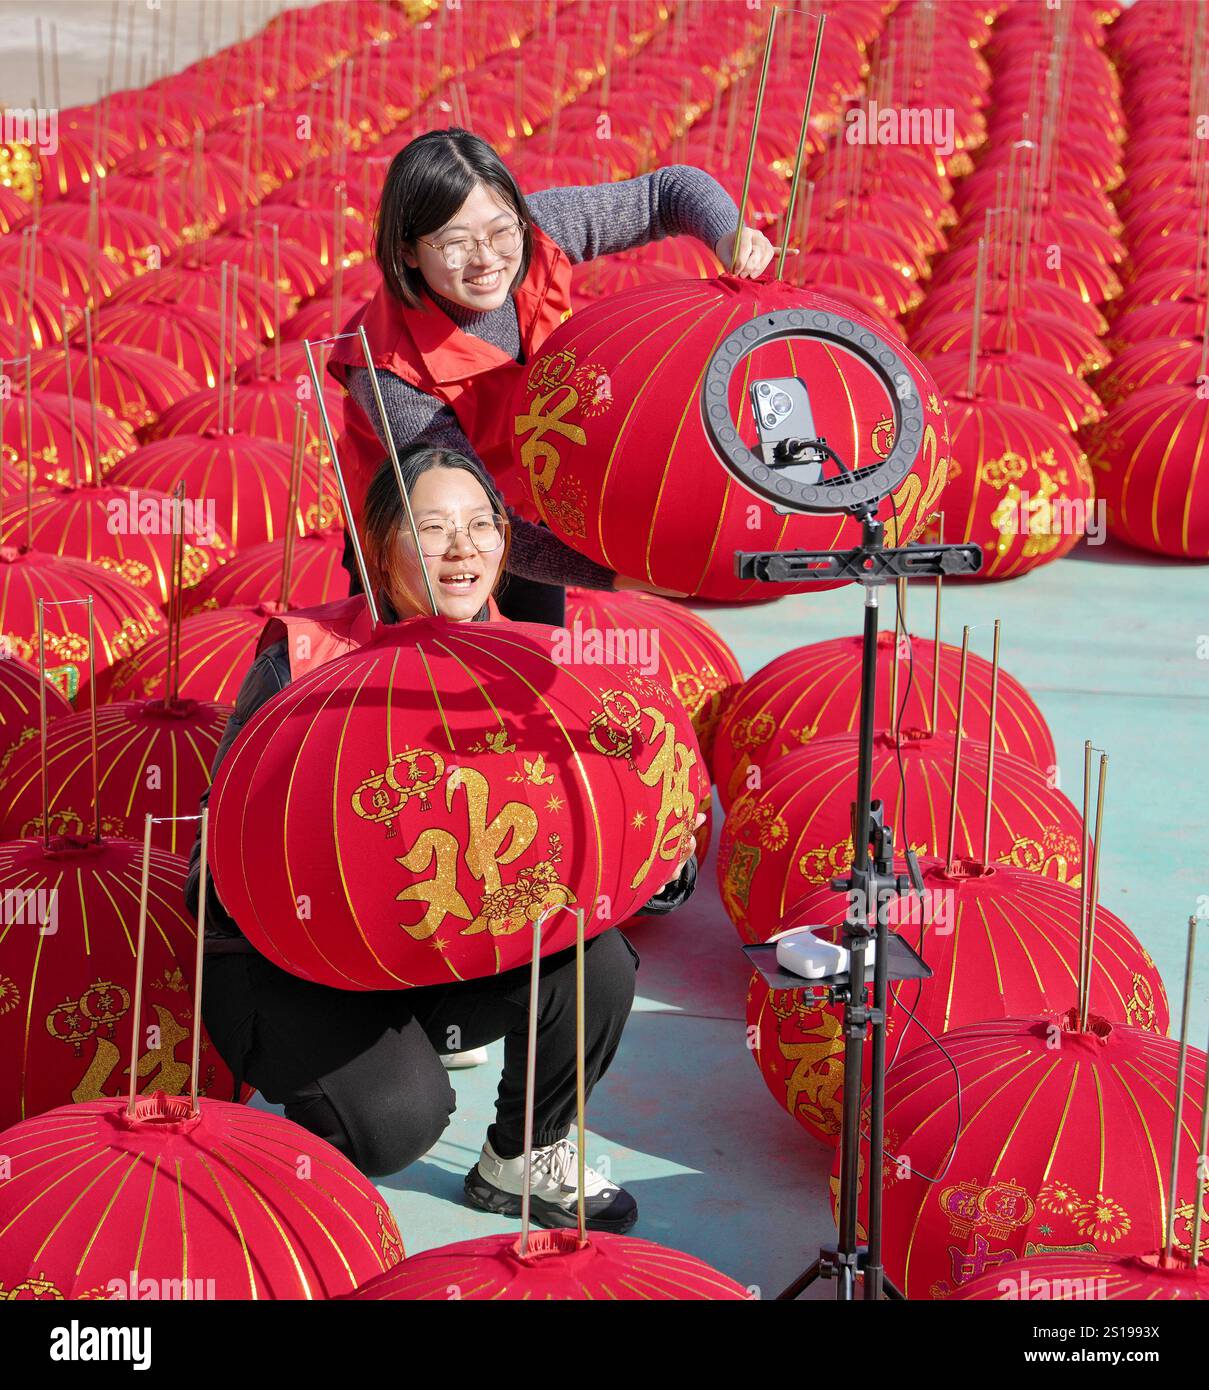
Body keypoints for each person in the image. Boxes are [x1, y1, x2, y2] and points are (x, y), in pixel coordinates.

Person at [186, 444, 702, 1234]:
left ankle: (524, 1154)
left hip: (441, 943)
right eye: (431, 528)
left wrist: (663, 853)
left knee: (597, 963)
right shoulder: (303, 657)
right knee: (393, 1129)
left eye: (480, 526)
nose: (462, 550)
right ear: (376, 547)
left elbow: (588, 833)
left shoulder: (536, 667)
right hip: (299, 957)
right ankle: (336, 1091)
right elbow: (220, 854)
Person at [328, 127, 776, 624]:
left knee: (535, 670)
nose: (487, 260)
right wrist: (611, 573)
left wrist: (728, 231)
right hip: (429, 545)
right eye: (456, 244)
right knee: (436, 685)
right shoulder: (391, 370)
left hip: (528, 501)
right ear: (408, 251)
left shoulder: (538, 231)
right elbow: (483, 529)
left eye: (501, 232)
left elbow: (667, 192)